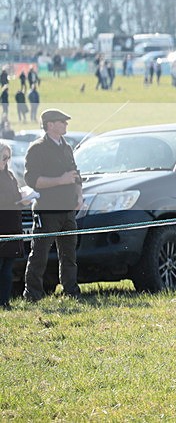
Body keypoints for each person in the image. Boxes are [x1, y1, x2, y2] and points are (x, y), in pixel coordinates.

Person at [23, 109, 83, 301]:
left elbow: (75, 174)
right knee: (39, 254)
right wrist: (60, 180)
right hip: (47, 211)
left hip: (68, 210)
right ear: (50, 125)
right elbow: (33, 181)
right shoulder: (37, 149)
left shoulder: (67, 147)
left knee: (69, 255)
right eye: (62, 122)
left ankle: (71, 291)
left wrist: (79, 196)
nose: (66, 124)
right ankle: (32, 294)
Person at [0, 141, 29, 309]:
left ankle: (4, 302)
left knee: (7, 269)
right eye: (4, 157)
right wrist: (17, 201)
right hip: (2, 227)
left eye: (8, 158)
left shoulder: (10, 175)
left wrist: (23, 197)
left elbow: (14, 195)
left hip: (12, 226)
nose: (6, 161)